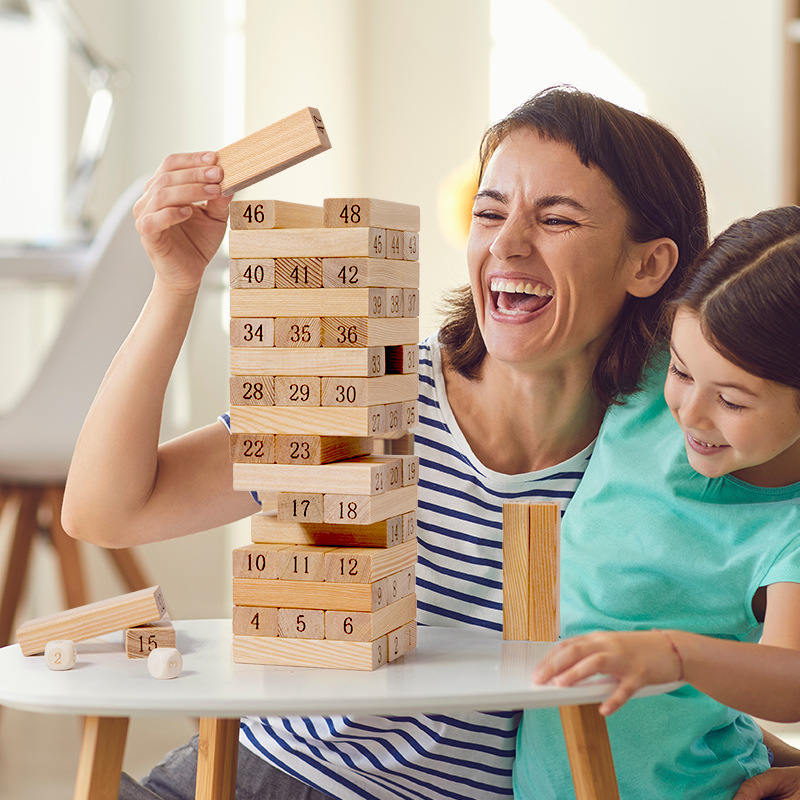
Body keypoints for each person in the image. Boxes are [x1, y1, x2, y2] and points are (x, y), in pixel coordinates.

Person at [61, 86, 793, 799]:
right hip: (265, 773)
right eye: (489, 210)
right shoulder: (370, 392)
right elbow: (107, 510)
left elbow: (661, 671)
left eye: (557, 219)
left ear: (650, 265)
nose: (507, 245)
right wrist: (174, 286)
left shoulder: (686, 449)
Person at [516, 206, 800, 799]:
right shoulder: (643, 388)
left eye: (733, 400)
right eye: (681, 370)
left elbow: (791, 681)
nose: (690, 412)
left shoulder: (788, 525)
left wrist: (675, 655)